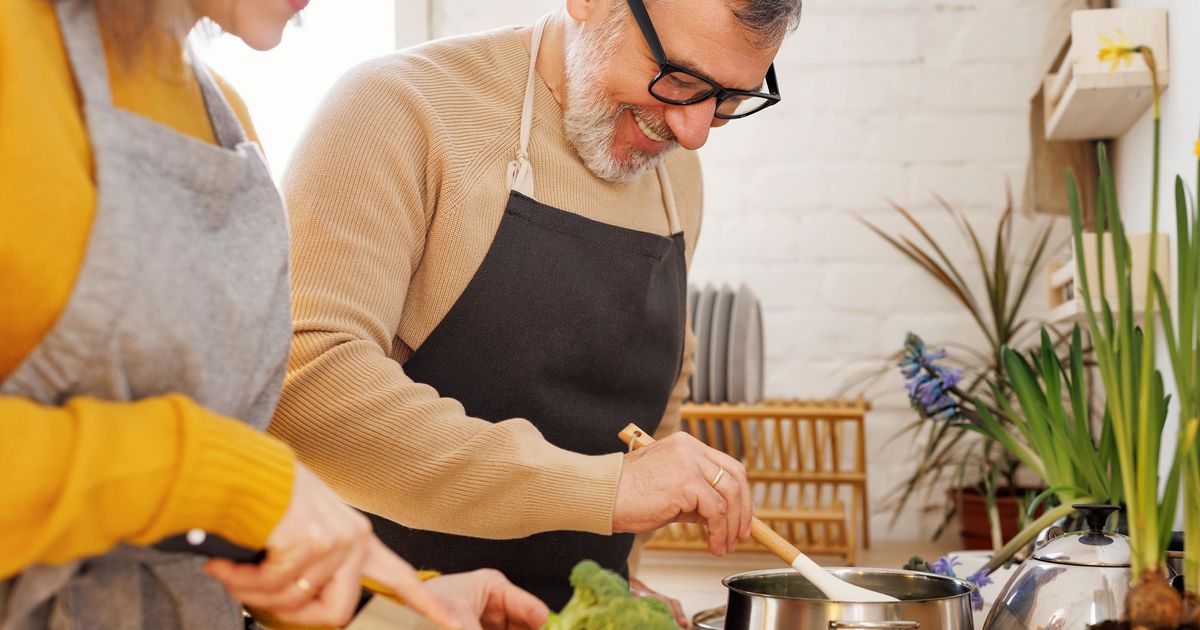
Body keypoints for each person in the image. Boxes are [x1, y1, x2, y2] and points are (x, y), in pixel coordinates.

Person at [0, 0, 547, 628]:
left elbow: (183, 533)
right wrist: (220, 478)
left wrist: (385, 601)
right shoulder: (15, 49)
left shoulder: (222, 119)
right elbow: (204, 481)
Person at [272, 0, 799, 614]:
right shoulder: (396, 108)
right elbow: (309, 390)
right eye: (679, 78)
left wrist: (617, 585)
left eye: (731, 99)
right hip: (378, 612)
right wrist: (604, 488)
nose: (694, 133)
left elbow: (658, 403)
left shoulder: (677, 174)